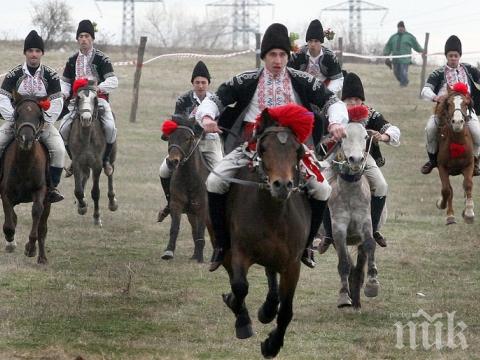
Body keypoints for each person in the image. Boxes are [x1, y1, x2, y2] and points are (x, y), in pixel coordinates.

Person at [195, 23, 349, 271]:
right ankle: (222, 244)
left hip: (294, 151)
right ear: (264, 57)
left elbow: (331, 100)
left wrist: (335, 122)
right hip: (251, 147)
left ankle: (307, 246)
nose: (278, 60)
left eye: (282, 55)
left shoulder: (302, 80)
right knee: (214, 182)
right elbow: (215, 98)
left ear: (288, 56)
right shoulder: (247, 79)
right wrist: (207, 118)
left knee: (322, 189)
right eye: (272, 55)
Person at [318, 72, 401, 253]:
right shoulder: (334, 113)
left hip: (364, 157)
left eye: (356, 99)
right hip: (336, 157)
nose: (353, 103)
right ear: (342, 100)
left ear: (362, 100)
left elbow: (393, 130)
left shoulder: (370, 113)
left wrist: (384, 136)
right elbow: (318, 135)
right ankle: (327, 234)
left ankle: (374, 230)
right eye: (349, 99)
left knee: (381, 185)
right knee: (320, 185)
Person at [0, 30, 65, 203]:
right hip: (17, 123)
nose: (34, 54)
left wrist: (46, 121)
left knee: (59, 150)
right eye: (30, 51)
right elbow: (2, 97)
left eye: (37, 50)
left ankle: (52, 188)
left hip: (42, 124)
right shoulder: (14, 74)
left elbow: (57, 101)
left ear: (42, 53)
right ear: (25, 53)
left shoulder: (51, 75)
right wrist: (14, 118)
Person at [157, 61, 223, 222]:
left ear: (208, 83)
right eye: (197, 82)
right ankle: (170, 203)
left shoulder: (216, 100)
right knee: (164, 170)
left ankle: (221, 207)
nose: (200, 86)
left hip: (210, 143)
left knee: (220, 174)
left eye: (203, 82)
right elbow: (178, 121)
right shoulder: (183, 100)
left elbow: (220, 122)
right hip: (187, 144)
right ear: (192, 83)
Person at [59, 19, 118, 177]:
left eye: (87, 36)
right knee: (63, 129)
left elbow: (113, 81)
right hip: (77, 102)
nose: (84, 39)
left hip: (98, 100)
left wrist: (98, 88)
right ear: (77, 39)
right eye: (81, 36)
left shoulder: (102, 58)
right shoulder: (71, 61)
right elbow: (64, 82)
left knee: (111, 128)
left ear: (92, 38)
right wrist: (64, 93)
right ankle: (73, 159)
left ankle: (105, 160)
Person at [420, 35, 480, 176]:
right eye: (450, 55)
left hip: (466, 110)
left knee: (478, 134)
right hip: (444, 111)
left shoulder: (469, 69)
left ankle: (475, 162)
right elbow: (425, 90)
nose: (453, 58)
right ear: (446, 56)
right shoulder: (438, 73)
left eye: (456, 55)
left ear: (460, 56)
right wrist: (435, 97)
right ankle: (433, 160)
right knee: (430, 129)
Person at [288, 19, 344, 94]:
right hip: (302, 91)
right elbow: (287, 74)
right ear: (307, 41)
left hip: (323, 91)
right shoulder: (298, 55)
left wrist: (328, 93)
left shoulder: (329, 57)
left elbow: (337, 78)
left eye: (316, 41)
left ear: (321, 42)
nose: (313, 44)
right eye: (310, 41)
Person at [383, 21, 424, 87]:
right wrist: (386, 54)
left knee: (403, 72)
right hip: (395, 59)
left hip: (405, 59)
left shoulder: (409, 37)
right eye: (399, 28)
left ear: (404, 28)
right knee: (396, 73)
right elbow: (388, 46)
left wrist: (422, 50)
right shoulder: (393, 37)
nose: (400, 29)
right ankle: (405, 81)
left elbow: (416, 45)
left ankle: (403, 84)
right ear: (397, 28)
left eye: (402, 27)